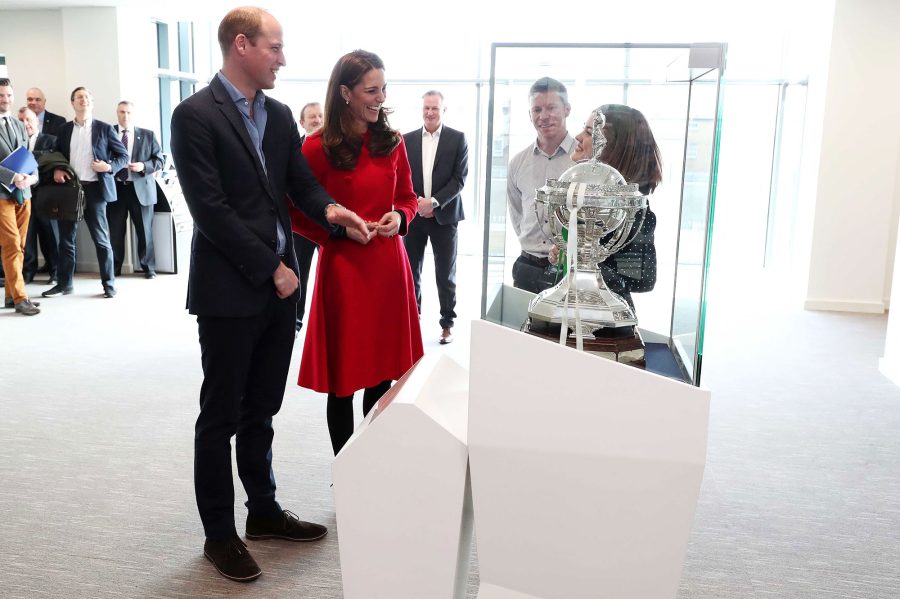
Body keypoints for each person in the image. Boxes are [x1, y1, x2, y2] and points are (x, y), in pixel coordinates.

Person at [169, 6, 371, 584]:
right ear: (241, 46)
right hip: (230, 290)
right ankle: (219, 535)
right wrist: (273, 268)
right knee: (221, 415)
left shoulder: (279, 115)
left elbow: (298, 185)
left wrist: (333, 212)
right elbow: (210, 211)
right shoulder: (194, 116)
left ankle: (262, 512)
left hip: (280, 291)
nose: (283, 58)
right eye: (274, 47)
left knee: (262, 409)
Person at [290, 49, 423, 456]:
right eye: (371, 90)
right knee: (344, 381)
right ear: (345, 93)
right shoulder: (315, 147)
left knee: (383, 375)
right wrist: (338, 233)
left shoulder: (393, 141)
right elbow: (294, 211)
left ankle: (371, 461)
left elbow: (408, 197)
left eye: (383, 89)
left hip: (388, 264)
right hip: (345, 268)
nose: (380, 98)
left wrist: (401, 217)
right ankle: (345, 468)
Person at [553, 104, 663, 309]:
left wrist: (586, 259)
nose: (577, 137)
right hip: (573, 308)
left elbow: (642, 279)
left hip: (606, 319)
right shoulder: (585, 200)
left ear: (613, 148)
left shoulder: (634, 212)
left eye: (588, 133)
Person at [42, 86, 127, 299]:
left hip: (96, 190)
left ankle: (108, 284)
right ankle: (64, 284)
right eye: (79, 97)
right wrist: (57, 168)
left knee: (101, 239)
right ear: (73, 103)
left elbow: (123, 156)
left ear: (92, 102)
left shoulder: (105, 129)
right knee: (66, 240)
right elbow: (55, 155)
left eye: (87, 96)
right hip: (69, 191)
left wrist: (108, 167)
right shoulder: (64, 129)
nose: (84, 100)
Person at [402, 90, 468, 345]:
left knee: (445, 273)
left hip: (445, 216)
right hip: (415, 216)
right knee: (411, 271)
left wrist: (434, 202)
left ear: (443, 110)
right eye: (426, 108)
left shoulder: (457, 138)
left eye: (435, 109)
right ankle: (412, 321)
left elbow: (459, 180)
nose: (430, 112)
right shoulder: (406, 140)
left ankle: (447, 325)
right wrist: (418, 203)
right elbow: (402, 177)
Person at [507, 76, 575, 293]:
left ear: (567, 109)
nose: (544, 116)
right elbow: (517, 214)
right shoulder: (518, 162)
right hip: (527, 267)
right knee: (522, 327)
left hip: (569, 270)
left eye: (551, 108)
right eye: (537, 110)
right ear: (529, 115)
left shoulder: (583, 161)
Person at [108, 100, 164, 278]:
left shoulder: (147, 135)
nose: (125, 116)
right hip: (116, 188)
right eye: (122, 112)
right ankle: (115, 268)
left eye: (128, 113)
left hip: (140, 187)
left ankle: (149, 268)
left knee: (144, 231)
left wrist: (143, 166)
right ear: (117, 113)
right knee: (115, 231)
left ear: (133, 114)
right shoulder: (107, 133)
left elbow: (160, 160)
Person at [0, 78, 41, 315]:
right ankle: (20, 297)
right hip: (2, 194)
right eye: (1, 95)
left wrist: (32, 177)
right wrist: (12, 176)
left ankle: (10, 295)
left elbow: (28, 156)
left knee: (20, 246)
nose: (5, 99)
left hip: (24, 193)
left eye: (8, 95)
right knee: (12, 244)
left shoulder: (17, 123)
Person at [292, 101, 324, 332]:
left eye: (320, 116)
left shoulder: (336, 150)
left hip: (330, 225)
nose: (317, 120)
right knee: (299, 272)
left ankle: (325, 322)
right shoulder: (295, 151)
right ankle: (296, 319)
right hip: (302, 225)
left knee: (330, 276)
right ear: (302, 123)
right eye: (312, 117)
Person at [18, 106, 58, 285]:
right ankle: (28, 271)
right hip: (23, 195)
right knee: (27, 236)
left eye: (29, 120)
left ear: (37, 122)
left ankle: (55, 271)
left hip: (46, 195)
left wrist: (28, 156)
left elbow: (49, 160)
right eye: (21, 121)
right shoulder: (16, 142)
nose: (25, 124)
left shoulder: (50, 140)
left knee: (50, 235)